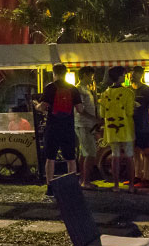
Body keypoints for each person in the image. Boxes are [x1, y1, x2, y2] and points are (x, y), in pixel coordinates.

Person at [35, 63, 87, 197]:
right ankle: (71, 187)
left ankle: (50, 187)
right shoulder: (73, 89)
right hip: (68, 127)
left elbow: (43, 106)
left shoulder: (50, 88)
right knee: (70, 158)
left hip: (53, 127)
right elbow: (80, 109)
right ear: (65, 73)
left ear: (54, 73)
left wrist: (36, 105)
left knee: (50, 158)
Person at [98, 66, 137, 193]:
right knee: (129, 156)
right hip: (125, 128)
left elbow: (102, 114)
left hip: (110, 129)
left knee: (115, 156)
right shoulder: (128, 93)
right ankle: (131, 185)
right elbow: (130, 112)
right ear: (120, 76)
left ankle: (116, 185)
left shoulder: (105, 94)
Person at [74, 67, 102, 189]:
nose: (92, 78)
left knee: (84, 153)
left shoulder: (86, 89)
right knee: (91, 152)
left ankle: (82, 179)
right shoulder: (79, 89)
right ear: (85, 75)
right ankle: (86, 181)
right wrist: (94, 119)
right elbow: (80, 109)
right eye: (91, 76)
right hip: (83, 124)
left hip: (86, 124)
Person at [130, 65, 149, 190]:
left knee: (146, 152)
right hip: (131, 126)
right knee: (135, 152)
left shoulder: (147, 90)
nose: (133, 75)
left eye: (136, 73)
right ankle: (137, 175)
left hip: (143, 125)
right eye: (132, 73)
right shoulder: (129, 90)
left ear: (141, 75)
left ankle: (147, 178)